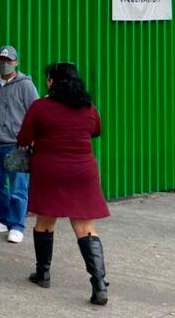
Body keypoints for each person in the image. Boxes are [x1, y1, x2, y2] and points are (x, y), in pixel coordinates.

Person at [18, 63, 110, 305]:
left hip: (50, 170)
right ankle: (99, 284)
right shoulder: (88, 107)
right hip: (82, 171)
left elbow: (24, 138)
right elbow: (96, 131)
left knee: (45, 222)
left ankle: (43, 273)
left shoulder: (41, 107)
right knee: (85, 227)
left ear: (51, 82)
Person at [0, 45, 39, 244]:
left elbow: (35, 112)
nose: (5, 64)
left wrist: (31, 140)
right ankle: (3, 220)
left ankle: (17, 225)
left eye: (9, 60)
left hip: (15, 145)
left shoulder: (25, 85)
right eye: (1, 60)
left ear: (16, 62)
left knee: (18, 188)